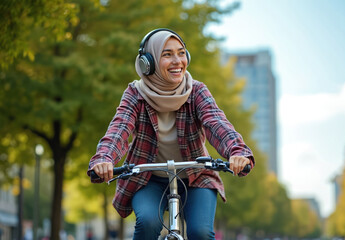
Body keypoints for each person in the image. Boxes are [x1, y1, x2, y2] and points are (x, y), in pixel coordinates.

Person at [88, 28, 255, 240]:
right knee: (148, 223)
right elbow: (119, 128)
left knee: (200, 232)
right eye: (167, 54)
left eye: (181, 52)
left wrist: (236, 151)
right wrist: (104, 158)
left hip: (196, 177)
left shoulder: (197, 91)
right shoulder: (135, 94)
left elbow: (216, 123)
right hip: (148, 178)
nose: (177, 61)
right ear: (147, 63)